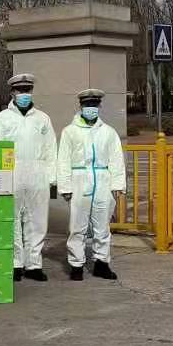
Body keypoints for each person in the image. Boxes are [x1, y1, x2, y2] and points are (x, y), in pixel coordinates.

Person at [0, 74, 57, 282]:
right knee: (11, 220)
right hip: (11, 173)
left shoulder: (43, 118)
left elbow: (51, 149)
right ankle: (15, 263)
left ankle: (34, 264)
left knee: (37, 221)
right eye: (20, 90)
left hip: (38, 174)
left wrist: (52, 178)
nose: (24, 94)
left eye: (27, 90)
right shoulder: (1, 119)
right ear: (12, 93)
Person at [56, 89, 125, 281]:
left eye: (94, 104)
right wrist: (65, 187)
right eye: (87, 105)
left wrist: (117, 185)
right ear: (81, 106)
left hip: (103, 181)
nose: (91, 108)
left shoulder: (108, 132)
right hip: (79, 181)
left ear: (99, 106)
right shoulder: (69, 131)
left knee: (102, 226)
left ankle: (101, 263)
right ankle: (76, 265)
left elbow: (116, 159)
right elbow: (63, 160)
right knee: (77, 226)